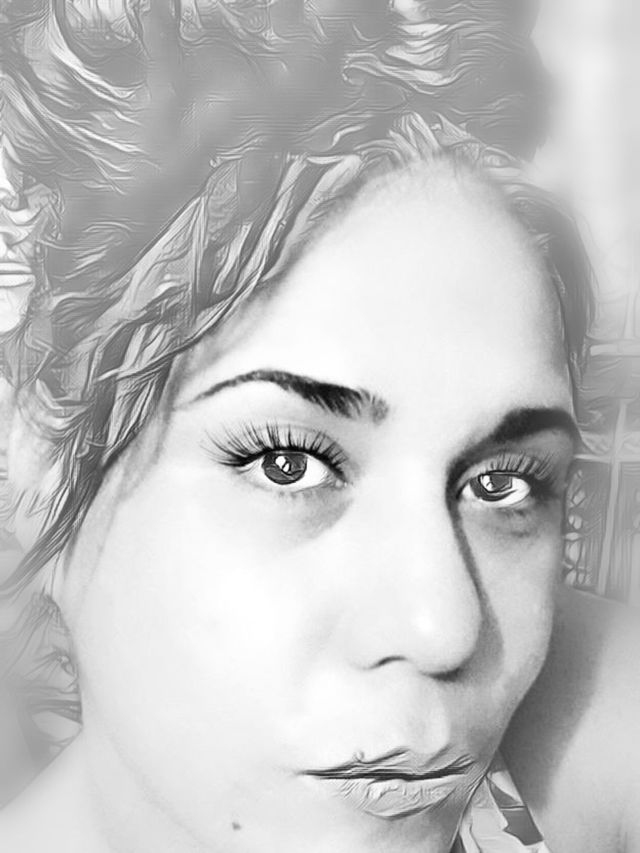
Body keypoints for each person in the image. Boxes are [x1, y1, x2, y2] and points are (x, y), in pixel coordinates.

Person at [0, 2, 615, 852]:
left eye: (502, 483)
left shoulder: (586, 733)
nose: (445, 628)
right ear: (36, 461)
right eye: (287, 463)